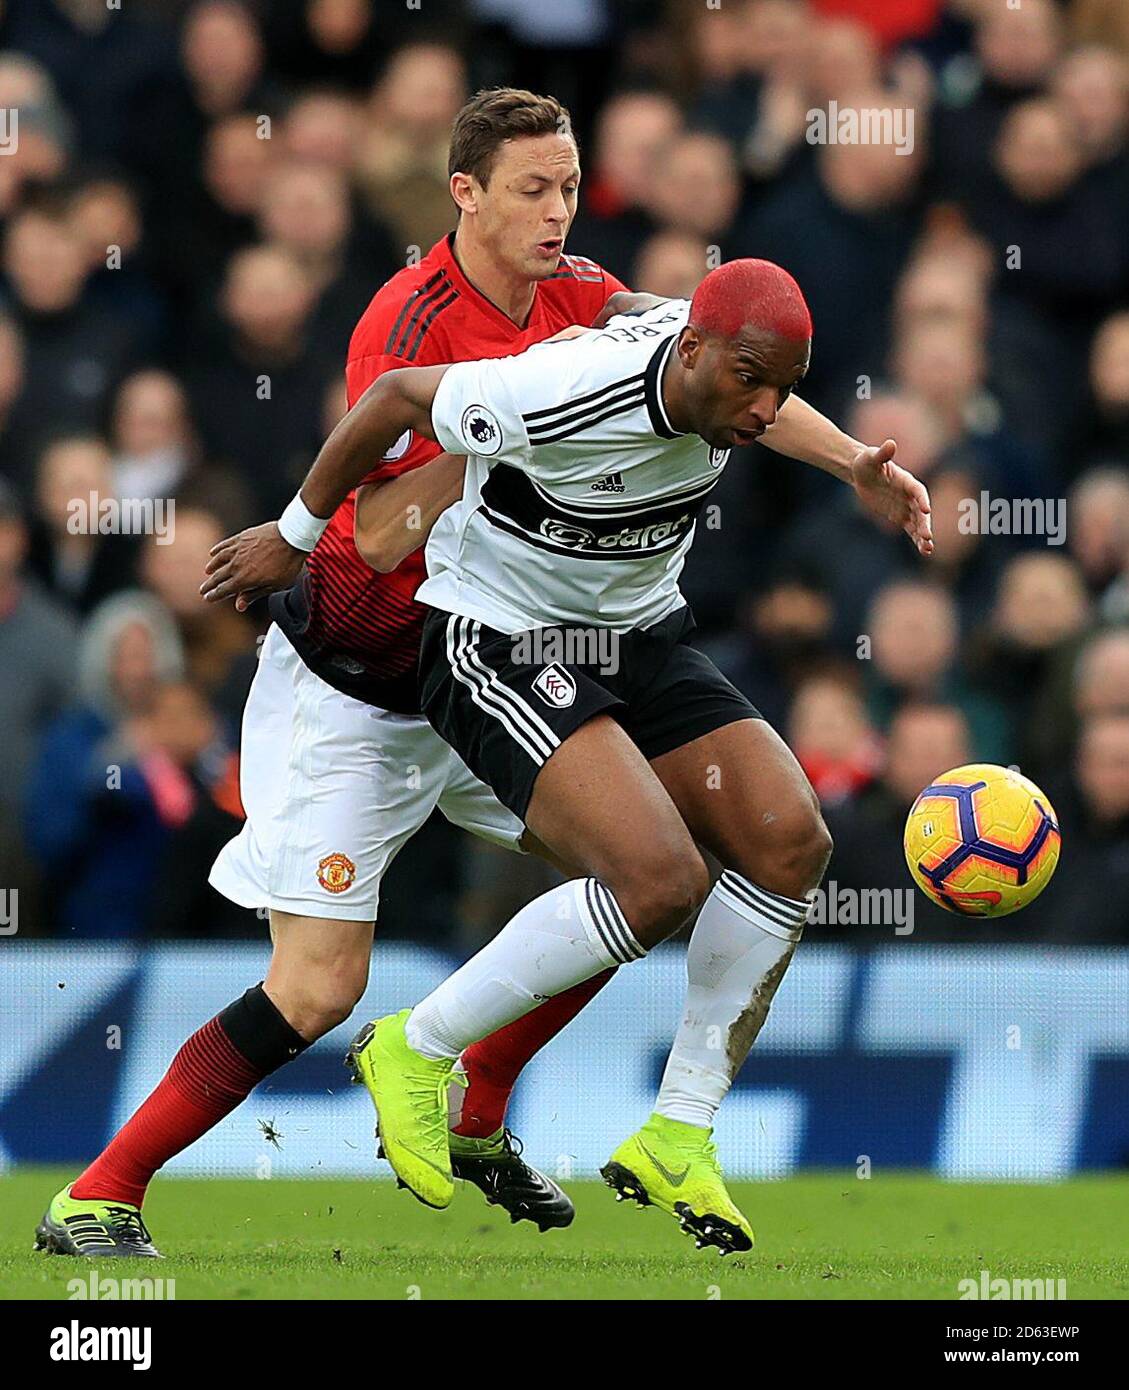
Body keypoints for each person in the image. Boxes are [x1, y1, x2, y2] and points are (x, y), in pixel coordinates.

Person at [268, 256, 931, 1252]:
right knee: (657, 878)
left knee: (789, 840)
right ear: (694, 350)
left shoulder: (726, 377)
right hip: (498, 637)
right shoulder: (563, 391)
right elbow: (397, 395)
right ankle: (417, 1047)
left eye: (783, 386)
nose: (763, 407)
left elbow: (768, 403)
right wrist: (295, 531)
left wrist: (851, 465)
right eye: (749, 378)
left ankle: (679, 1130)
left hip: (632, 636)